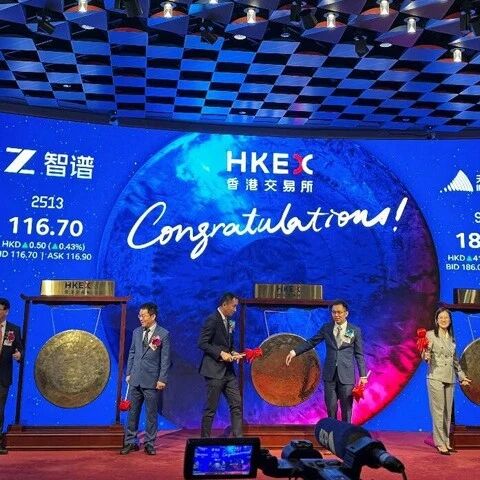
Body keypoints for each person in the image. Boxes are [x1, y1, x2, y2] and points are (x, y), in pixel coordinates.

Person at [285, 299, 367, 423]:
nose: (336, 315)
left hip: (346, 376)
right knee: (331, 409)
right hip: (330, 376)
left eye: (339, 312)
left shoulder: (354, 330)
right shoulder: (327, 328)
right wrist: (294, 351)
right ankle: (333, 433)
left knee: (346, 410)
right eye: (334, 312)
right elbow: (312, 342)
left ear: (346, 313)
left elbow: (359, 354)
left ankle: (346, 433)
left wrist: (363, 375)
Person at [120, 302, 171, 455]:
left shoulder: (163, 334)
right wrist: (128, 372)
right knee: (132, 413)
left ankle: (149, 443)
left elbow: (165, 359)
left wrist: (162, 379)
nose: (140, 318)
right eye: (139, 315)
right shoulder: (136, 332)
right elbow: (132, 353)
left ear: (153, 316)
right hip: (135, 379)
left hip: (152, 380)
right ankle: (130, 442)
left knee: (151, 414)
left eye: (143, 316)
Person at [423, 307, 471, 455]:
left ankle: (446, 441)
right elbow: (425, 353)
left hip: (450, 377)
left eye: (446, 318)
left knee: (447, 412)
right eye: (441, 318)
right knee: (438, 411)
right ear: (436, 320)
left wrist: (461, 376)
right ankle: (440, 443)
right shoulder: (430, 335)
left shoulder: (451, 337)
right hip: (435, 376)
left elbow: (455, 360)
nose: (444, 320)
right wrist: (425, 355)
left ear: (450, 320)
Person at [198, 292, 244, 438]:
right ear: (224, 304)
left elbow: (228, 345)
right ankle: (204, 441)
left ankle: (238, 440)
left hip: (228, 372)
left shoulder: (229, 321)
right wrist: (220, 353)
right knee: (210, 409)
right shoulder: (212, 320)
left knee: (236, 404)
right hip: (214, 371)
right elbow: (202, 343)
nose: (235, 310)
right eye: (233, 306)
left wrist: (233, 352)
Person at [0, 298, 23, 455]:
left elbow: (20, 349)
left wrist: (19, 355)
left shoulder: (13, 330)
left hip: (3, 376)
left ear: (6, 311)